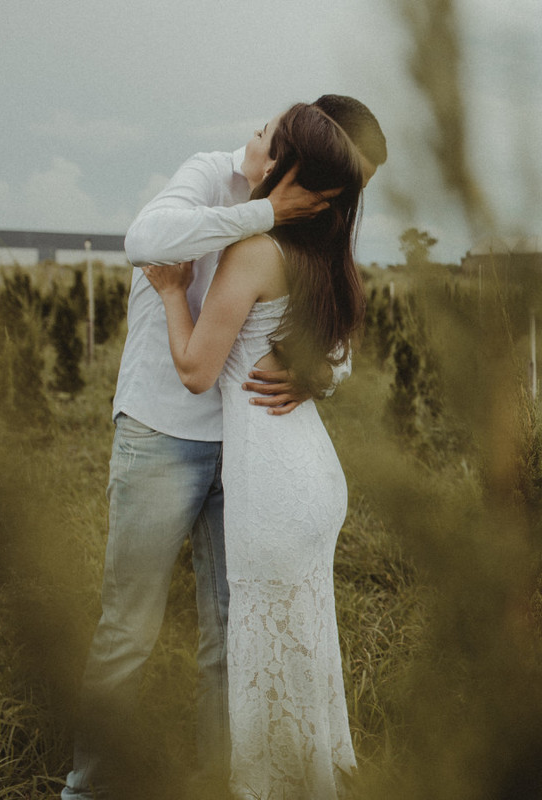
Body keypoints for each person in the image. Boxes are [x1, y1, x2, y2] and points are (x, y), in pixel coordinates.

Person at [61, 95, 385, 800]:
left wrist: (320, 371)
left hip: (248, 456)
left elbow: (336, 339)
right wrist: (269, 211)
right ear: (303, 160)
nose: (251, 136)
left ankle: (220, 780)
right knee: (128, 629)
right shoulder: (215, 180)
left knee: (228, 635)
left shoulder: (300, 236)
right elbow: (146, 239)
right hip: (162, 437)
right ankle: (85, 788)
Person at [143, 101, 365, 798]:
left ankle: (270, 786)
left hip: (270, 476)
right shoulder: (323, 256)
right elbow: (333, 355)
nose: (255, 141)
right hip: (314, 470)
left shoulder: (255, 249)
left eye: (271, 137)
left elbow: (196, 369)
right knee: (304, 642)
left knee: (266, 649)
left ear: (287, 170)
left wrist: (174, 292)